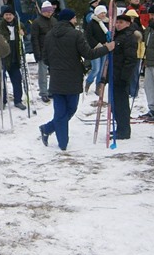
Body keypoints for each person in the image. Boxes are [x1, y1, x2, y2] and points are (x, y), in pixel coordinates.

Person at [39, 9, 113, 150]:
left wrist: (56, 65)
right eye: (74, 19)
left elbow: (45, 58)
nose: (75, 21)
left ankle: (48, 129)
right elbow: (89, 54)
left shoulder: (49, 35)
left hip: (56, 78)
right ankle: (62, 144)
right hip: (73, 77)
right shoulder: (75, 34)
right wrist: (106, 48)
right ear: (70, 20)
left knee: (61, 112)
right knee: (71, 109)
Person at [110, 14, 139, 139]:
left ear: (128, 23)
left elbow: (130, 59)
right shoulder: (119, 36)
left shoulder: (129, 37)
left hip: (121, 76)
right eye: (117, 22)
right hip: (115, 73)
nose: (118, 25)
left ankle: (124, 130)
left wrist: (124, 77)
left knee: (121, 104)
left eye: (121, 22)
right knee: (116, 103)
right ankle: (120, 127)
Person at [0, 5, 26, 110]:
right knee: (2, 80)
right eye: (6, 15)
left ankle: (18, 100)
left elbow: (23, 37)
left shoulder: (19, 25)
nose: (8, 16)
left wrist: (23, 34)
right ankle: (3, 101)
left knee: (17, 79)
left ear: (13, 15)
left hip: (15, 56)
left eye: (10, 14)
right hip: (4, 57)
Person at [31, 1, 57, 103]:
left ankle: (52, 90)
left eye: (50, 11)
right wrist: (37, 53)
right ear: (42, 11)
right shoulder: (37, 22)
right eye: (47, 11)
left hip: (54, 51)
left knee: (54, 73)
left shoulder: (54, 21)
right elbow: (34, 39)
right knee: (43, 74)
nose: (49, 13)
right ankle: (43, 92)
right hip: (43, 51)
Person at [84, 3, 110, 95]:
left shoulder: (107, 23)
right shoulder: (92, 23)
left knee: (102, 69)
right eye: (101, 13)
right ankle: (88, 83)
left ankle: (98, 86)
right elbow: (89, 36)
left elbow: (108, 35)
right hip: (95, 49)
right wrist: (97, 45)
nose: (103, 15)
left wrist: (107, 43)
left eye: (104, 13)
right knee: (96, 68)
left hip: (105, 48)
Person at [124, 8, 145, 99]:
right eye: (130, 17)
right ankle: (131, 91)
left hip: (136, 53)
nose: (131, 19)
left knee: (134, 73)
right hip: (133, 53)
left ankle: (133, 92)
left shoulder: (136, 28)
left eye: (133, 18)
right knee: (130, 73)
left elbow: (141, 43)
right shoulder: (139, 27)